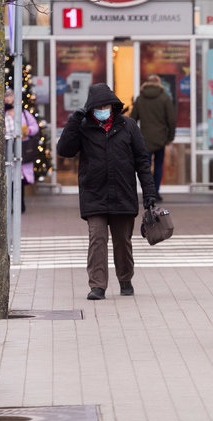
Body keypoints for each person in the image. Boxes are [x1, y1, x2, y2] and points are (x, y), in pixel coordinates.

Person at [57, 83, 157, 301]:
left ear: (113, 106)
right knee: (97, 240)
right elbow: (64, 150)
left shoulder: (128, 126)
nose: (102, 110)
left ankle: (125, 278)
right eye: (97, 107)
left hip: (123, 193)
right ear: (91, 108)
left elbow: (142, 160)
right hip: (94, 194)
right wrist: (74, 120)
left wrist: (149, 193)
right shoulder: (83, 127)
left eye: (106, 106)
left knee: (123, 241)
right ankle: (97, 286)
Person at [0, 88, 39, 212]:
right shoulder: (1, 115)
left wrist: (29, 130)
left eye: (10, 96)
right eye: (5, 97)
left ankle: (20, 205)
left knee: (20, 178)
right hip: (7, 150)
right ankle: (10, 205)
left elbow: (35, 126)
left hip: (22, 148)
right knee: (8, 178)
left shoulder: (23, 113)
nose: (7, 99)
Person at [130, 74, 176, 202]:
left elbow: (133, 119)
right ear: (159, 83)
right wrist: (170, 137)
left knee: (145, 167)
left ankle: (147, 193)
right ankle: (156, 192)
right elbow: (171, 120)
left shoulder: (140, 99)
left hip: (144, 139)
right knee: (158, 166)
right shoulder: (164, 98)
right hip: (160, 139)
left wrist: (132, 136)